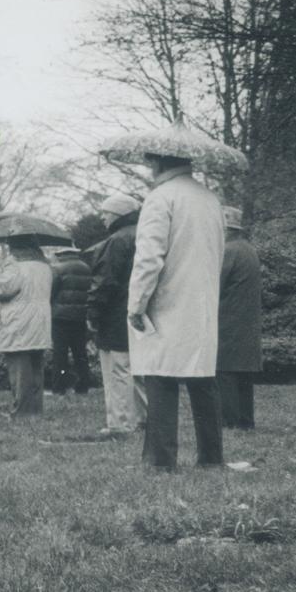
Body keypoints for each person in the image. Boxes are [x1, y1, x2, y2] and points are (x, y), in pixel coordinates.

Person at [130, 152, 226, 468]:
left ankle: (160, 460)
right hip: (203, 302)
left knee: (160, 377)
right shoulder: (210, 199)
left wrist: (136, 304)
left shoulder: (161, 198)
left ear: (158, 164)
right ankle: (211, 458)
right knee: (202, 379)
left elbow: (149, 258)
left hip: (168, 301)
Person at [87, 193, 144, 435]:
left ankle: (121, 423)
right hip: (138, 312)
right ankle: (143, 418)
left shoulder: (115, 241)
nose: (102, 218)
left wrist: (92, 312)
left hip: (115, 315)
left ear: (118, 214)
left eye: (106, 213)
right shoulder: (143, 236)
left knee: (117, 370)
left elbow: (104, 281)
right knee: (138, 370)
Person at [0, 238, 53, 418]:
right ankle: (35, 410)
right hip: (40, 322)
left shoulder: (16, 267)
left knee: (19, 369)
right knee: (36, 367)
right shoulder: (45, 267)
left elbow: (3, 289)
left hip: (19, 322)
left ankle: (21, 411)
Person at [216, 205, 262, 431]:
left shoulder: (227, 251)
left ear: (225, 229)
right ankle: (246, 420)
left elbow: (214, 285)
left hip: (226, 319)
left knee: (224, 370)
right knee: (243, 374)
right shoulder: (248, 249)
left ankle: (229, 421)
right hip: (247, 320)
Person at [48, 247, 93, 396]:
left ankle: (59, 388)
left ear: (61, 254)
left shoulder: (57, 268)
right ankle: (83, 386)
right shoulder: (86, 268)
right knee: (80, 353)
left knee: (60, 354)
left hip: (60, 317)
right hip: (80, 316)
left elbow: (51, 291)